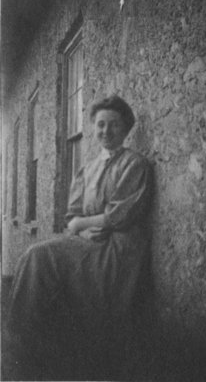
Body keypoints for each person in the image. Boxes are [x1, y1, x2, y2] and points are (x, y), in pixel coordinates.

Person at [7, 95, 153, 381]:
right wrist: (83, 227)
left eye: (113, 125)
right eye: (100, 125)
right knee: (36, 256)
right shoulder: (88, 169)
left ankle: (21, 341)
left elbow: (120, 215)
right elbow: (70, 215)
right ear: (93, 128)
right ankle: (24, 341)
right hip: (89, 241)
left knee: (42, 255)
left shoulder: (135, 165)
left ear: (126, 129)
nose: (106, 132)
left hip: (119, 248)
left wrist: (83, 223)